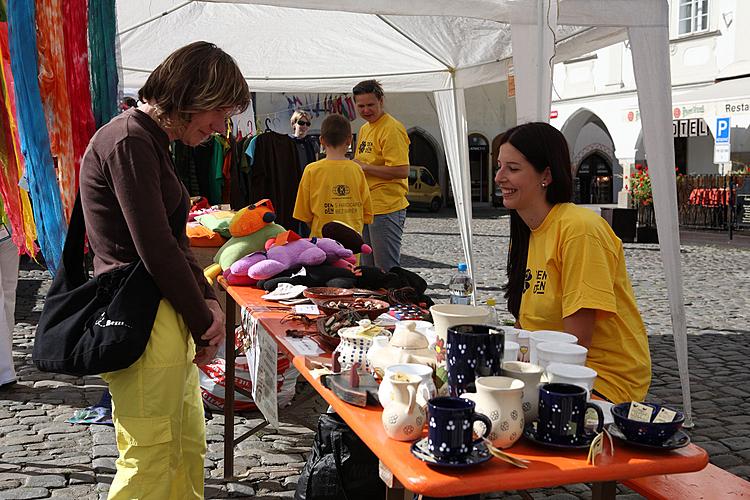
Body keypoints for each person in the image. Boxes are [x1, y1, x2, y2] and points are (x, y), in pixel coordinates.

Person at [79, 41, 249, 499]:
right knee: (152, 453)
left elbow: (172, 241)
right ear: (189, 95)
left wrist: (207, 308)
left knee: (184, 444)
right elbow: (155, 248)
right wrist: (204, 318)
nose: (220, 127)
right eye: (218, 112)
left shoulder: (150, 141)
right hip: (141, 315)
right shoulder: (131, 140)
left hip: (162, 314)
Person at [496, 122, 651, 404]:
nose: (499, 177)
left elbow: (576, 345)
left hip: (596, 379)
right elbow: (524, 324)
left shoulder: (580, 230)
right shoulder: (525, 233)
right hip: (545, 372)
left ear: (546, 175)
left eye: (513, 169)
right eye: (499, 166)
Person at [352, 80, 410, 271]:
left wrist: (366, 168)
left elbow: (402, 170)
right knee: (367, 268)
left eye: (370, 105)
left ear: (381, 102)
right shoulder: (364, 129)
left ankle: (392, 300)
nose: (366, 110)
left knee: (386, 268)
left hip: (387, 206)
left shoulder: (391, 128)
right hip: (368, 206)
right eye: (361, 106)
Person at [293, 114, 372, 237]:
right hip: (351, 244)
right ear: (349, 140)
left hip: (321, 244)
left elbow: (304, 215)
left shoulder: (311, 170)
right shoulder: (357, 170)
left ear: (322, 141)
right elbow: (366, 212)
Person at [289, 109, 319, 236]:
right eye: (301, 123)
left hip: (308, 185)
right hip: (292, 185)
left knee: (308, 217)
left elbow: (316, 163)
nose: (304, 127)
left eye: (308, 124)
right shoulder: (288, 143)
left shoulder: (311, 143)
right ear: (294, 124)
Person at [0, 197, 19, 390]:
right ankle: (5, 369)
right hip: (10, 219)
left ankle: (5, 369)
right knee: (6, 299)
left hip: (10, 222)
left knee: (7, 298)